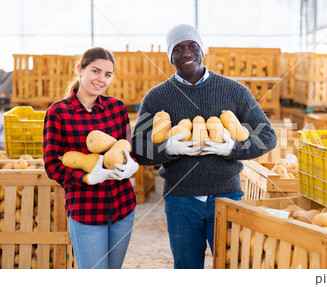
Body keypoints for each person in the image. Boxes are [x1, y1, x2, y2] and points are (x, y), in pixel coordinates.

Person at [132, 24, 277, 269]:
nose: (187, 53)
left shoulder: (234, 90)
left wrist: (233, 148)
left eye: (193, 46)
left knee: (230, 267)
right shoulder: (156, 97)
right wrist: (168, 149)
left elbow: (269, 136)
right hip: (181, 200)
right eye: (178, 49)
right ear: (170, 57)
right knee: (187, 268)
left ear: (202, 50)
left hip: (227, 195)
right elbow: (138, 148)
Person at [43, 47, 139, 269]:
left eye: (107, 74)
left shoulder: (117, 108)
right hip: (86, 209)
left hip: (123, 206)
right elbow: (52, 165)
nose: (101, 79)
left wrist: (131, 165)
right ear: (80, 69)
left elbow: (128, 149)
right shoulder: (58, 112)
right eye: (95, 71)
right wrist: (86, 178)